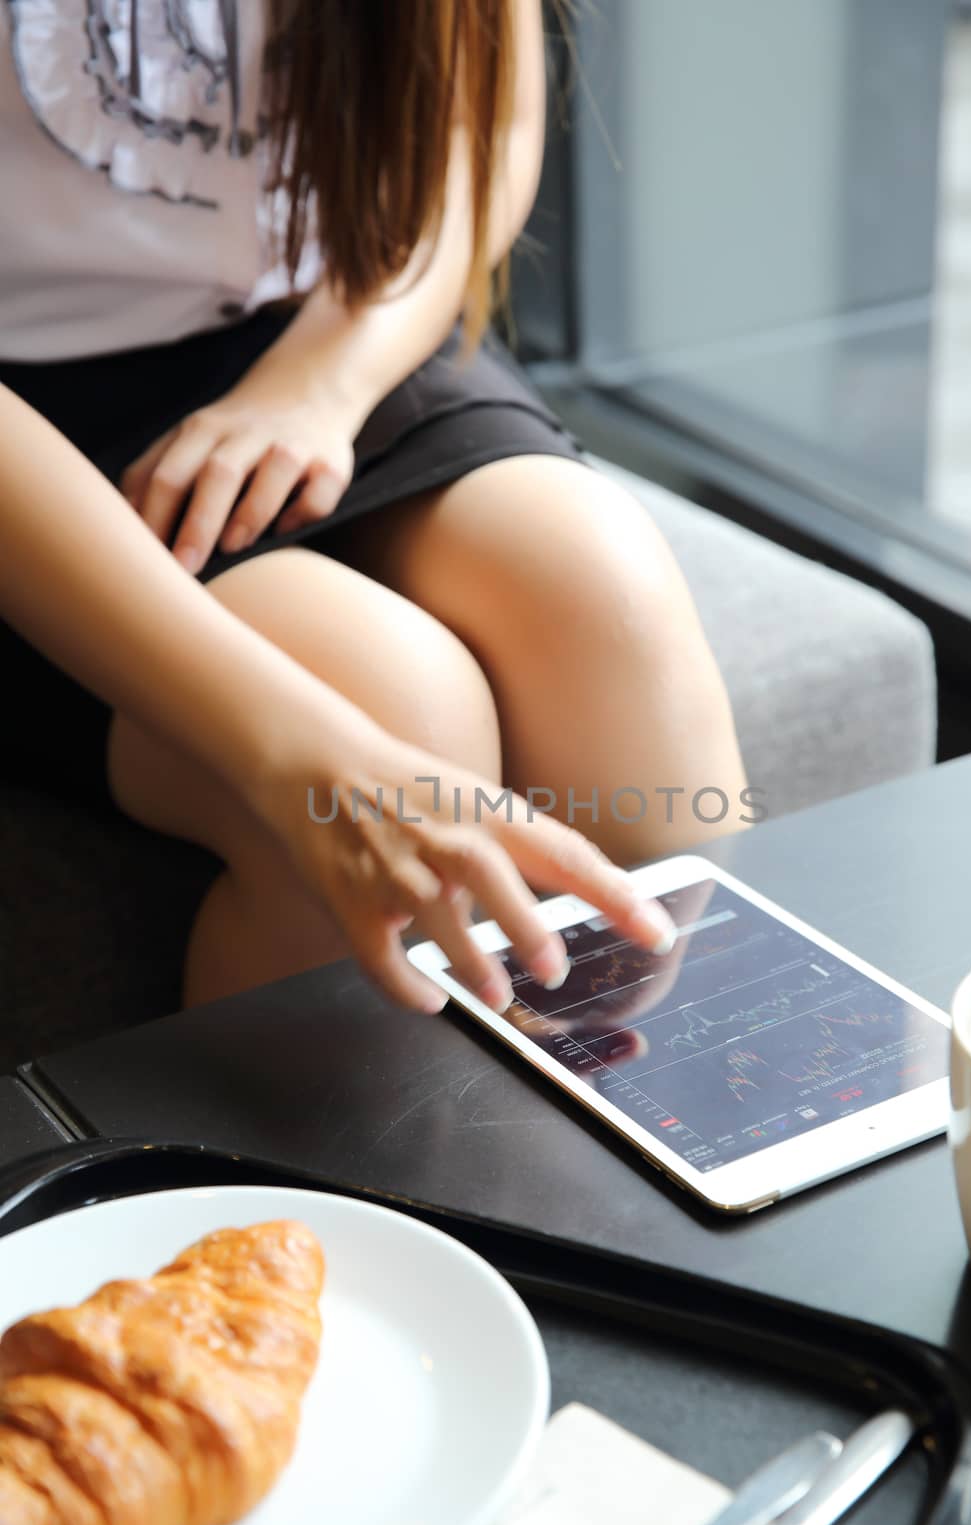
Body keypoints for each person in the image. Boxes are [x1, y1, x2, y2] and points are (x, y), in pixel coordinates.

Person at [0, 0, 747, 1016]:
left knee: (600, 600)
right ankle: (316, 1175)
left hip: (339, 322)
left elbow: (477, 128)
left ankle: (621, 1135)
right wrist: (296, 751)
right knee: (396, 701)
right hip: (29, 431)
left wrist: (320, 382)